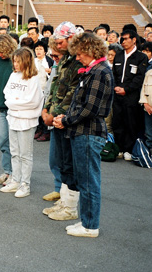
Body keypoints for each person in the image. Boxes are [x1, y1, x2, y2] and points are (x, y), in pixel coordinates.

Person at [53, 32, 114, 238]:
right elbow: (81, 105)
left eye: (79, 53)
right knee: (86, 180)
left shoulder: (100, 72)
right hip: (83, 132)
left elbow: (90, 109)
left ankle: (90, 225)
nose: (77, 57)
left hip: (89, 133)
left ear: (90, 50)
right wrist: (66, 116)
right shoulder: (94, 70)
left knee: (88, 181)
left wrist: (66, 120)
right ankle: (87, 222)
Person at [42, 22, 82, 219]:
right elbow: (56, 87)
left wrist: (55, 114)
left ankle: (70, 207)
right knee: (63, 161)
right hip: (59, 117)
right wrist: (47, 110)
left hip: (68, 118)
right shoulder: (66, 59)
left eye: (60, 43)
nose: (57, 47)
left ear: (71, 39)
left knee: (70, 164)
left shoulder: (78, 61)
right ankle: (64, 202)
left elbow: (72, 93)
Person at [0, 47, 43, 198]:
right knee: (14, 152)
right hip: (13, 119)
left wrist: (14, 103)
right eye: (14, 61)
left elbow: (32, 101)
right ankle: (15, 180)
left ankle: (25, 184)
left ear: (25, 61)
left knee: (25, 154)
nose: (15, 64)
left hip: (27, 121)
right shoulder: (13, 75)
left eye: (18, 61)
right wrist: (16, 103)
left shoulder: (33, 79)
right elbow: (7, 95)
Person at [112, 30, 148, 160]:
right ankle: (119, 148)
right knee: (117, 121)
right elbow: (114, 73)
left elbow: (139, 78)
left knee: (130, 122)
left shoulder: (141, 57)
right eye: (122, 39)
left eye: (126, 39)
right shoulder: (119, 55)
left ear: (134, 40)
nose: (123, 41)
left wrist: (126, 89)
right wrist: (116, 87)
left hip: (131, 95)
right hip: (117, 94)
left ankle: (129, 149)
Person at [0, 34, 17, 185]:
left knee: (14, 143)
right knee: (3, 141)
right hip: (0, 106)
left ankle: (15, 173)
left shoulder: (16, 61)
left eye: (2, 51)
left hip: (13, 108)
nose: (0, 54)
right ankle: (7, 171)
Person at [33, 40, 54, 142]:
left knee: (44, 110)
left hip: (46, 90)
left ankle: (46, 132)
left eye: (41, 49)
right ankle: (39, 129)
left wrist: (49, 71)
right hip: (35, 89)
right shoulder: (33, 61)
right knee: (37, 111)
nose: (38, 51)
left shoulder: (49, 61)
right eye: (37, 49)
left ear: (45, 51)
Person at [139, 42, 152, 154]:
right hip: (147, 106)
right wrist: (145, 103)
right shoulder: (149, 72)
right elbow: (143, 88)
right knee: (148, 133)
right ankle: (148, 154)